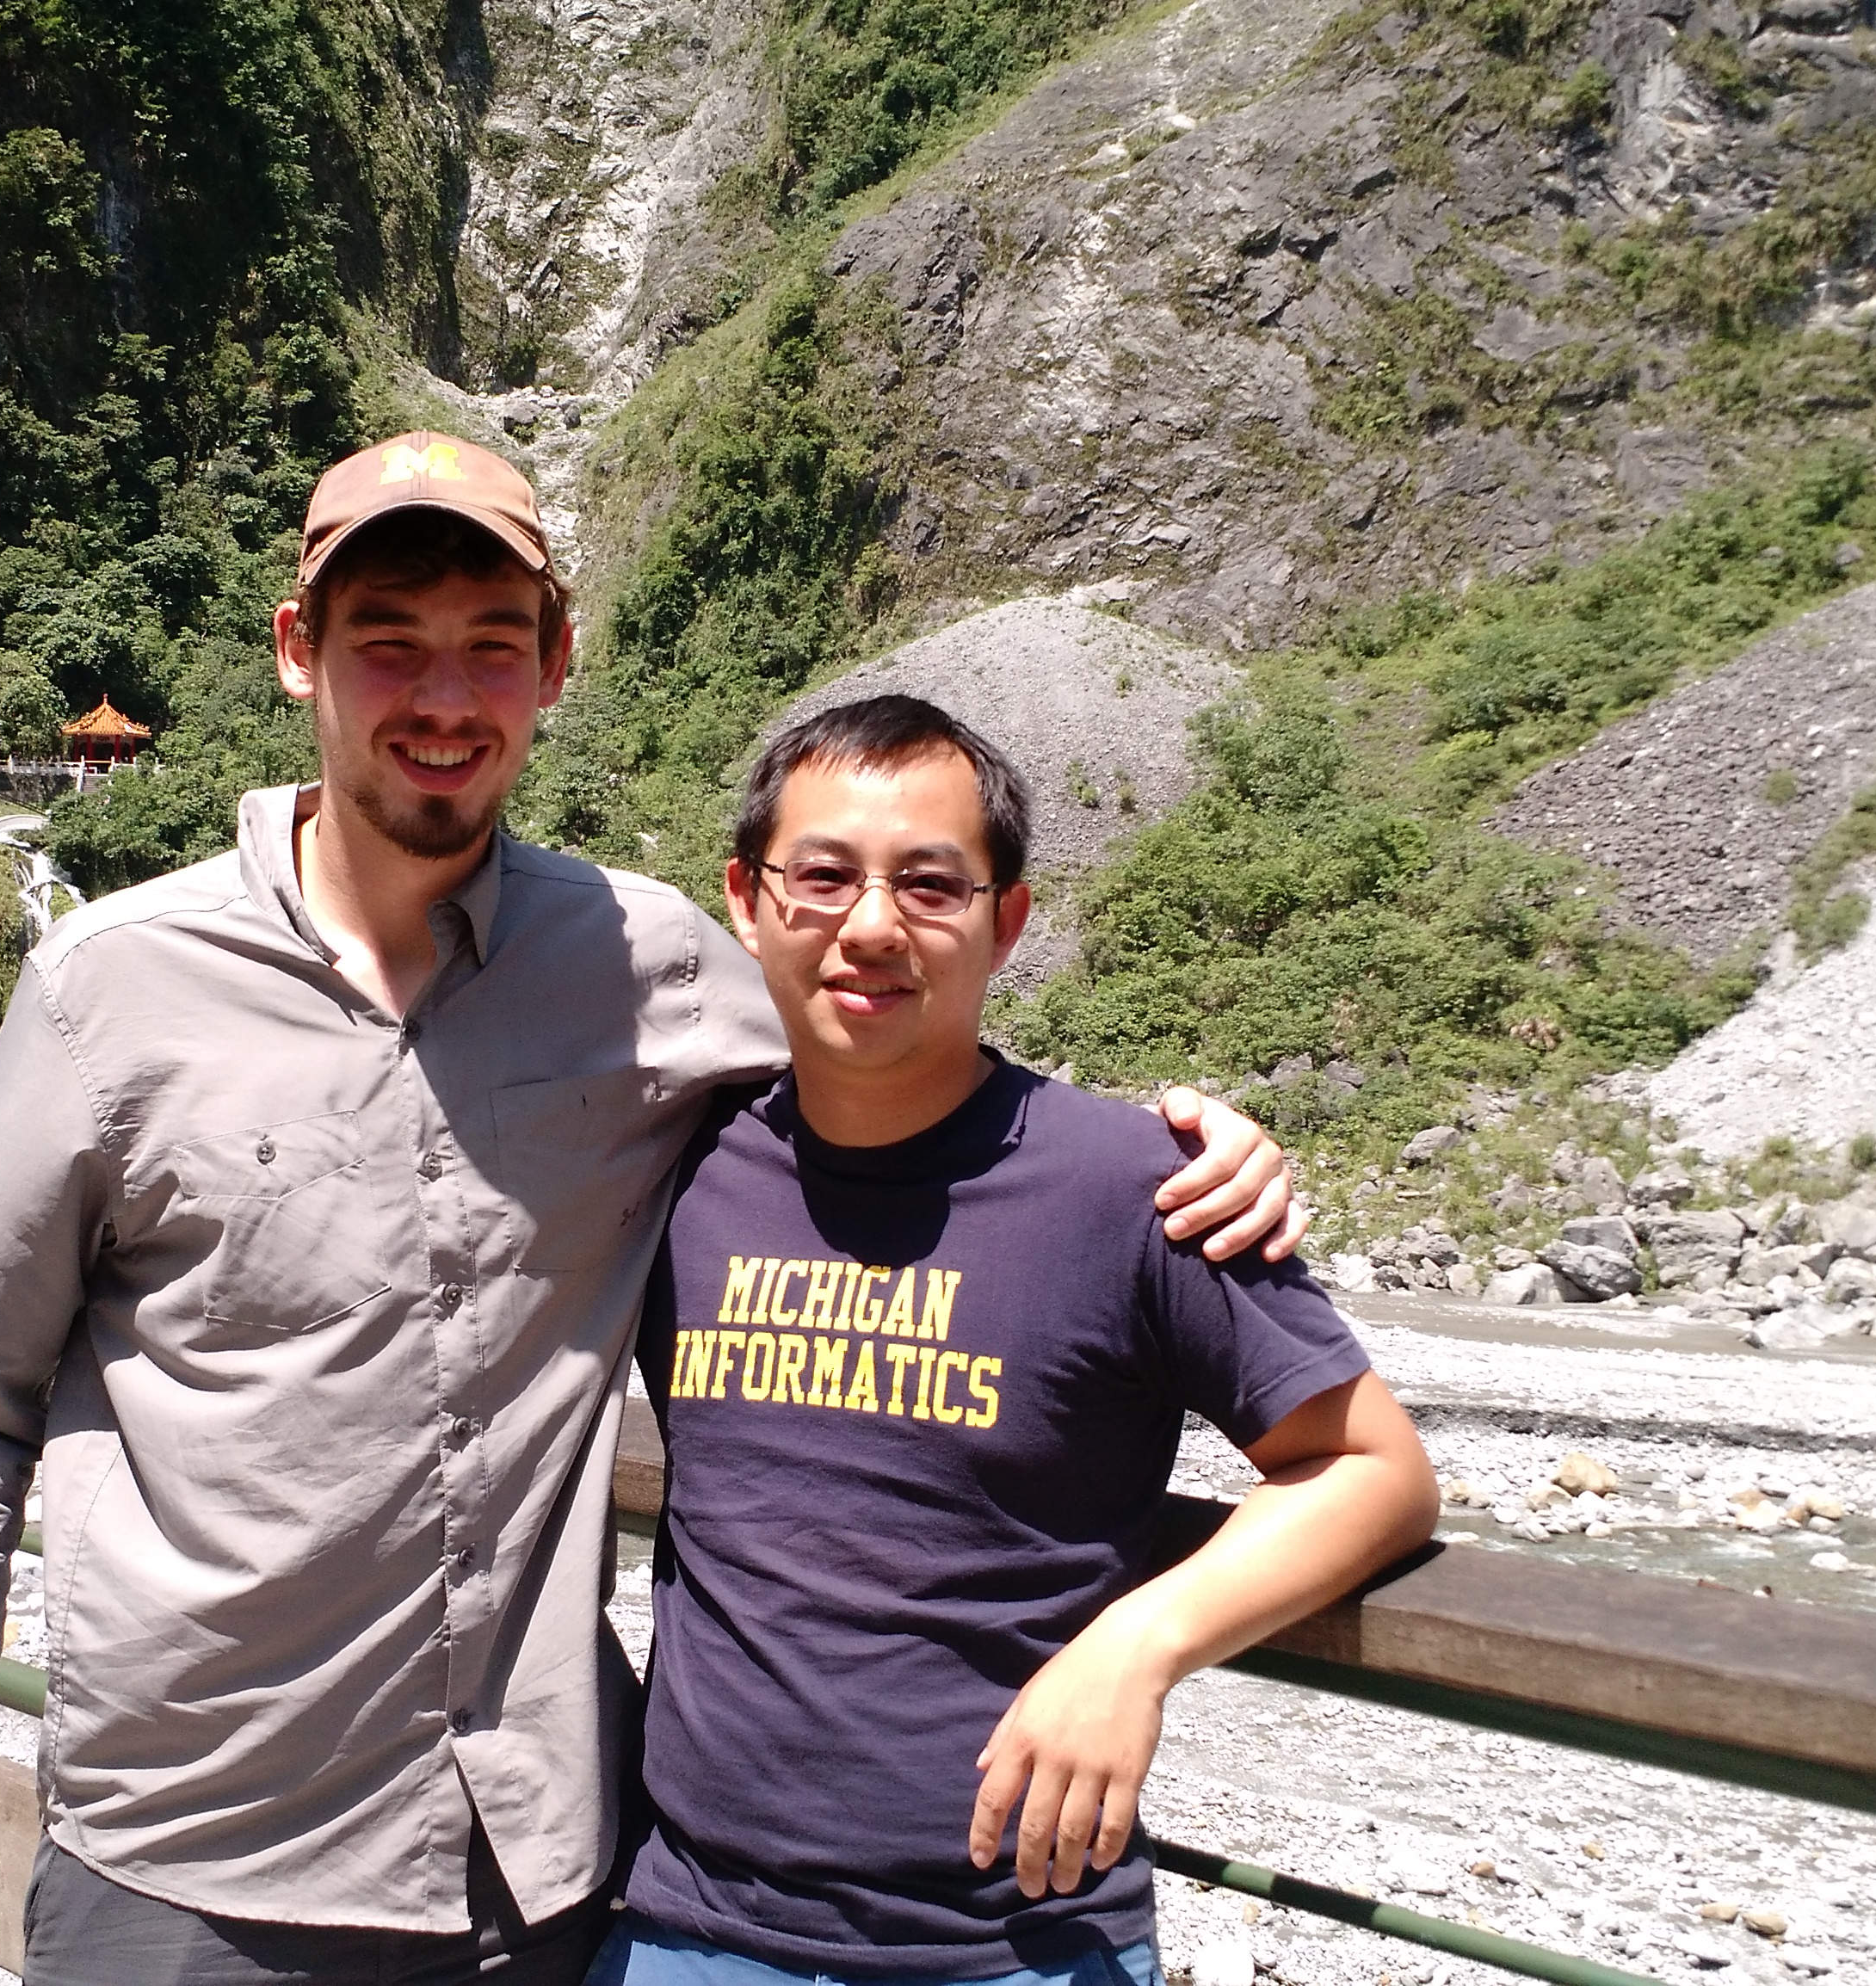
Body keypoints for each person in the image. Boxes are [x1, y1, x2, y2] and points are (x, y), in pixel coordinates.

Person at [0, 432, 1311, 1986]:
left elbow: (886, 1033)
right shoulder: (107, 990)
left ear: (556, 665)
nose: (443, 698)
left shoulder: (653, 967)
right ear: (297, 655)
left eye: (492, 646)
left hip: (530, 1875)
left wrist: (1163, 1145)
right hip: (191, 1867)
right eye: (387, 643)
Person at [605, 697, 1439, 1986]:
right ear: (749, 901)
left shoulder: (1137, 1186)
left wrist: (1140, 1646)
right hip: (687, 1923)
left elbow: (1371, 1472)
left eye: (932, 884)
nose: (872, 925)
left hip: (1016, 1940)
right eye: (822, 875)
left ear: (1008, 921)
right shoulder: (674, 1161)